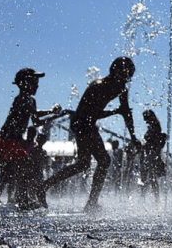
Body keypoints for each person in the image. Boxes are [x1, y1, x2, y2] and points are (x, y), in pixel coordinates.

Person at [42, 57, 141, 212]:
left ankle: (44, 186)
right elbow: (92, 114)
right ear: (115, 71)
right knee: (104, 160)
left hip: (87, 123)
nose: (126, 79)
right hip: (82, 123)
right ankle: (91, 202)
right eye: (124, 75)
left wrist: (133, 137)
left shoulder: (121, 88)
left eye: (129, 76)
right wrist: (115, 111)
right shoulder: (99, 86)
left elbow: (126, 113)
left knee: (83, 164)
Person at [0, 68, 60, 209]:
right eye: (34, 82)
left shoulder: (31, 100)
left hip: (12, 140)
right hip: (6, 139)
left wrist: (53, 114)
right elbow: (35, 116)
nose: (37, 85)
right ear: (23, 84)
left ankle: (22, 199)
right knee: (24, 166)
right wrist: (52, 113)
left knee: (20, 168)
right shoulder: (21, 100)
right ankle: (22, 200)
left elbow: (36, 121)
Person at [140, 110, 167, 201]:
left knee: (151, 177)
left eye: (145, 117)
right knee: (148, 177)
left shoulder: (155, 127)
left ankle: (154, 198)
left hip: (152, 155)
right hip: (149, 154)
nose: (144, 120)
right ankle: (148, 197)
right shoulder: (154, 126)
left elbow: (155, 143)